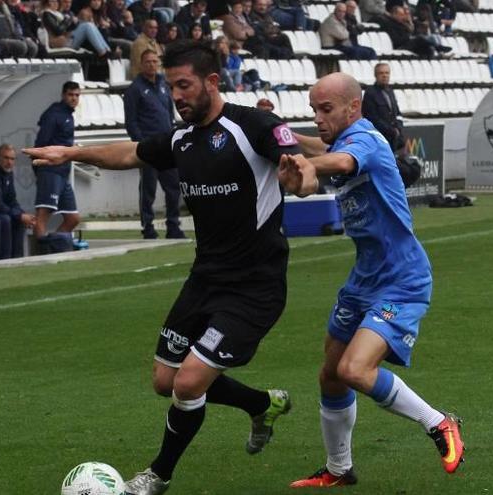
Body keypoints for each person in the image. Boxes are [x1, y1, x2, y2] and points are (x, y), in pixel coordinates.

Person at [24, 40, 318, 495]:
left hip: (254, 287)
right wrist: (71, 153)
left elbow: (294, 155)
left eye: (184, 85)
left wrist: (303, 178)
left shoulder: (252, 125)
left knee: (189, 383)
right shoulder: (183, 139)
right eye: (170, 86)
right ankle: (264, 403)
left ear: (212, 82)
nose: (175, 95)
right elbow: (130, 153)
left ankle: (157, 475)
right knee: (166, 381)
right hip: (205, 280)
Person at [284, 72, 465, 488]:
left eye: (326, 109)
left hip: (403, 279)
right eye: (314, 110)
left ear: (354, 107)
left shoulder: (364, 140)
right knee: (330, 373)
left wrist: (305, 162)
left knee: (353, 369)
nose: (318, 118)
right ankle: (338, 468)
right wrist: (284, 136)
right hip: (364, 278)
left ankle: (439, 423)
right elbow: (323, 148)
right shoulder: (342, 140)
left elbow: (341, 161)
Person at [124, 50, 185, 240]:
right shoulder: (135, 89)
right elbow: (131, 121)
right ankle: (148, 227)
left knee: (173, 188)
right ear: (142, 65)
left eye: (154, 61)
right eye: (148, 62)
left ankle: (173, 226)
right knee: (148, 190)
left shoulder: (164, 85)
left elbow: (169, 113)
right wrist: (141, 144)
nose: (152, 65)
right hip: (148, 146)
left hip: (166, 145)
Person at [32, 81, 82, 251]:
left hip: (63, 172)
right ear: (63, 95)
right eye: (70, 94)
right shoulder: (54, 114)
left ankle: (54, 248)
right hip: (50, 171)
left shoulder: (69, 115)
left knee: (73, 218)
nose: (74, 98)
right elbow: (41, 143)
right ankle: (42, 254)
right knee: (43, 216)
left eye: (77, 95)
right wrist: (40, 169)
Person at [0, 144, 37, 259]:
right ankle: (2, 260)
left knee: (18, 220)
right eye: (6, 158)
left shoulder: (7, 171)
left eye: (12, 159)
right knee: (6, 219)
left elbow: (12, 199)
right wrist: (19, 215)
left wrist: (22, 214)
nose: (10, 162)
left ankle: (17, 259)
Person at [361, 62, 404, 153]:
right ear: (375, 75)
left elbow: (398, 113)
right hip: (378, 139)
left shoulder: (390, 92)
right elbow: (372, 118)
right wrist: (391, 130)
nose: (384, 76)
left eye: (387, 73)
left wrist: (398, 127)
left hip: (393, 139)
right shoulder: (370, 93)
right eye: (381, 73)